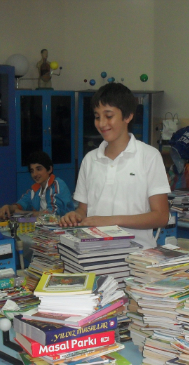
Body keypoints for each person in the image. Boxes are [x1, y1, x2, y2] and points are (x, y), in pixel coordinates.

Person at [59, 83, 170, 249]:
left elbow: (161, 216)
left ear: (128, 116)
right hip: (96, 252)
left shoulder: (149, 156)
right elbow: (83, 210)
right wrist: (75, 216)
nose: (102, 123)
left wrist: (110, 221)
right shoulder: (90, 160)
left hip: (138, 254)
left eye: (108, 116)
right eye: (97, 117)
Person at [0, 151, 74, 219]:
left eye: (39, 169)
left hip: (64, 230)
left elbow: (53, 215)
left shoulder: (58, 185)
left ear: (49, 169)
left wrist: (21, 213)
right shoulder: (34, 190)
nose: (35, 174)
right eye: (32, 171)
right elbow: (21, 204)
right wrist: (8, 207)